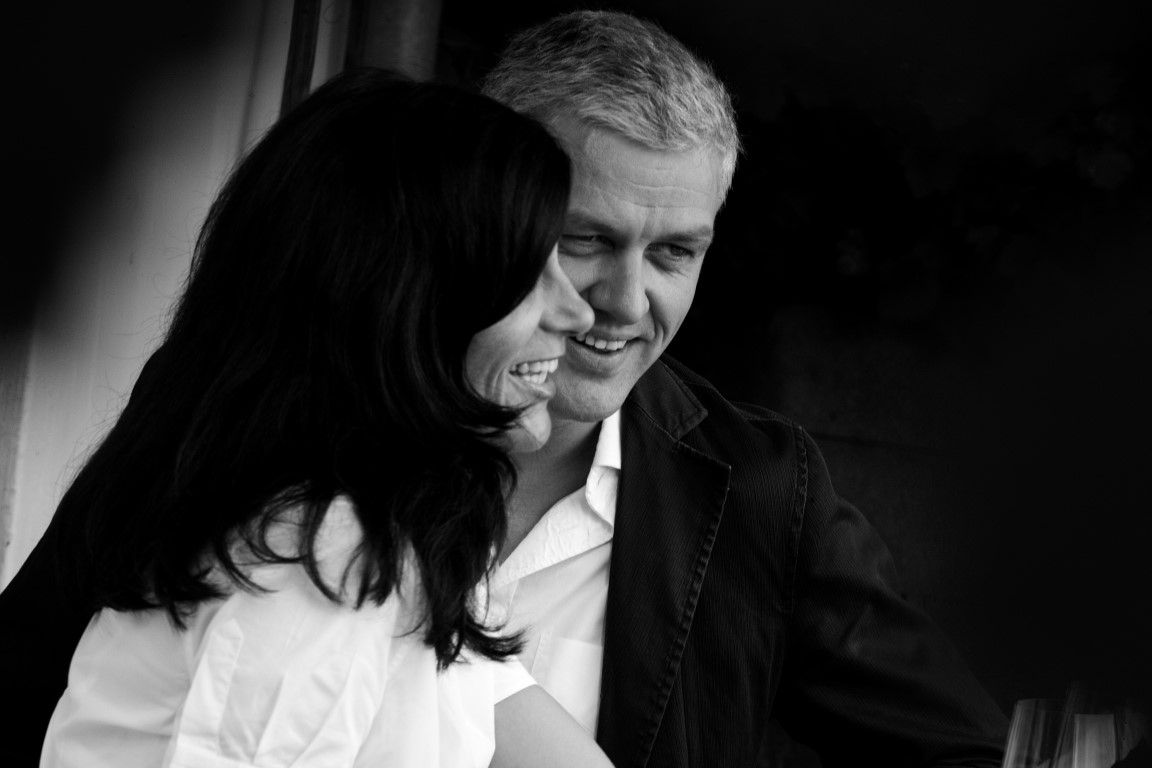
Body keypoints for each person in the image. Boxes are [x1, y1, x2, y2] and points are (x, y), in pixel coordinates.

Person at [13, 68, 614, 767]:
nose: (576, 312)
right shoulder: (322, 555)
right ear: (409, 305)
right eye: (526, 276)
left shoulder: (369, 530)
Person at [475, 11, 1009, 767]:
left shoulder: (764, 494)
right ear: (475, 202)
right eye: (585, 238)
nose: (626, 302)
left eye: (673, 253)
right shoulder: (324, 430)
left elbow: (965, 753)